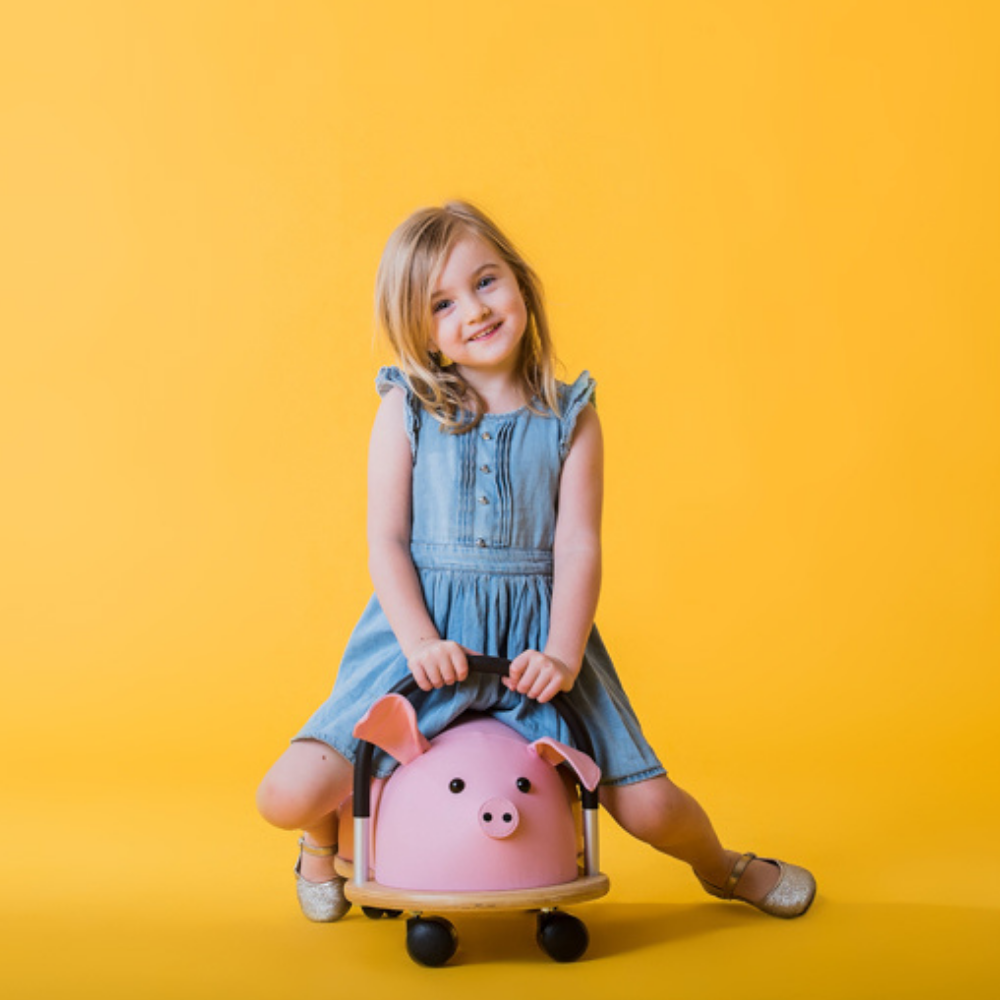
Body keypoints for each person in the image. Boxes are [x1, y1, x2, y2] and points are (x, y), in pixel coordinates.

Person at [256, 200, 816, 923]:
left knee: (648, 806)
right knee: (286, 792)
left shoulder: (569, 415)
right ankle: (318, 837)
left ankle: (724, 866)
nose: (475, 311)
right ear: (420, 332)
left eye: (486, 282)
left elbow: (579, 543)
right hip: (424, 634)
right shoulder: (405, 408)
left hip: (537, 639)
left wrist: (562, 652)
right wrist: (421, 640)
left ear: (519, 282)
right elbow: (386, 540)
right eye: (443, 304)